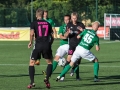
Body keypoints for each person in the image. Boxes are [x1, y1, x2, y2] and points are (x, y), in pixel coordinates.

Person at [27, 8, 53, 89]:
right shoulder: (48, 23)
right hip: (46, 45)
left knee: (31, 63)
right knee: (49, 63)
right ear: (43, 15)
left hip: (38, 45)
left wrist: (30, 42)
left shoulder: (34, 23)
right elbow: (52, 36)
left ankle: (32, 82)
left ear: (36, 15)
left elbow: (31, 33)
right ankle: (47, 79)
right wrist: (49, 44)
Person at [63, 12, 85, 80]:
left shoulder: (81, 25)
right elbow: (65, 36)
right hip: (72, 45)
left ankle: (77, 76)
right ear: (71, 18)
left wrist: (82, 32)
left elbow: (85, 33)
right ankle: (63, 76)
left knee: (78, 61)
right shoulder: (69, 25)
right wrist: (68, 32)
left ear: (77, 18)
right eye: (73, 18)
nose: (74, 19)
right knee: (68, 59)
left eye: (75, 18)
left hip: (79, 45)